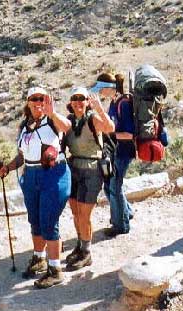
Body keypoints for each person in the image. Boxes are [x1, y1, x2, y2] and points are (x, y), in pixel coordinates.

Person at [0, 87, 71, 289]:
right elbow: (22, 157)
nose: (39, 102)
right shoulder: (24, 126)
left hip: (53, 174)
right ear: (28, 102)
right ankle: (39, 259)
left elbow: (68, 127)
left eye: (42, 98)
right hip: (30, 175)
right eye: (34, 98)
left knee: (48, 220)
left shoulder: (52, 120)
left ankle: (55, 269)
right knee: (35, 220)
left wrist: (52, 112)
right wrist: (7, 168)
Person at [64, 87, 115, 270]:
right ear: (70, 102)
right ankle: (80, 246)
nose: (78, 102)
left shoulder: (92, 119)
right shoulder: (69, 121)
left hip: (92, 170)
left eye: (82, 98)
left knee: (84, 215)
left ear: (87, 101)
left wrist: (100, 108)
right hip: (74, 169)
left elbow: (110, 128)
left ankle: (86, 253)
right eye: (75, 98)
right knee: (76, 212)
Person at [91, 73, 136, 238]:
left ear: (109, 88)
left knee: (114, 187)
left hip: (124, 152)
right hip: (115, 151)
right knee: (110, 186)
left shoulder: (124, 104)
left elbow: (130, 134)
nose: (100, 93)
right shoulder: (114, 102)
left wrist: (109, 133)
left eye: (101, 89)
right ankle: (126, 212)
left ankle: (121, 225)